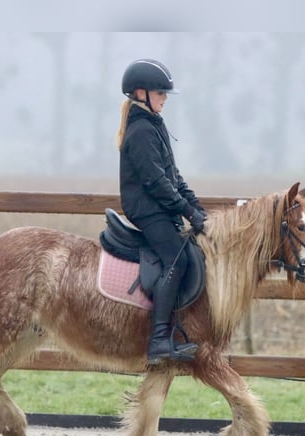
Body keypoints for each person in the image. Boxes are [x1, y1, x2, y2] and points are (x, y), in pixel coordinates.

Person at [116, 58, 207, 365]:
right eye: (160, 93)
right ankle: (158, 341)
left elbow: (173, 176)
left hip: (160, 207)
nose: (165, 98)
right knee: (176, 260)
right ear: (140, 93)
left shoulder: (154, 125)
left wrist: (195, 208)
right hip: (147, 210)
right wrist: (184, 210)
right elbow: (155, 182)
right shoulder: (141, 131)